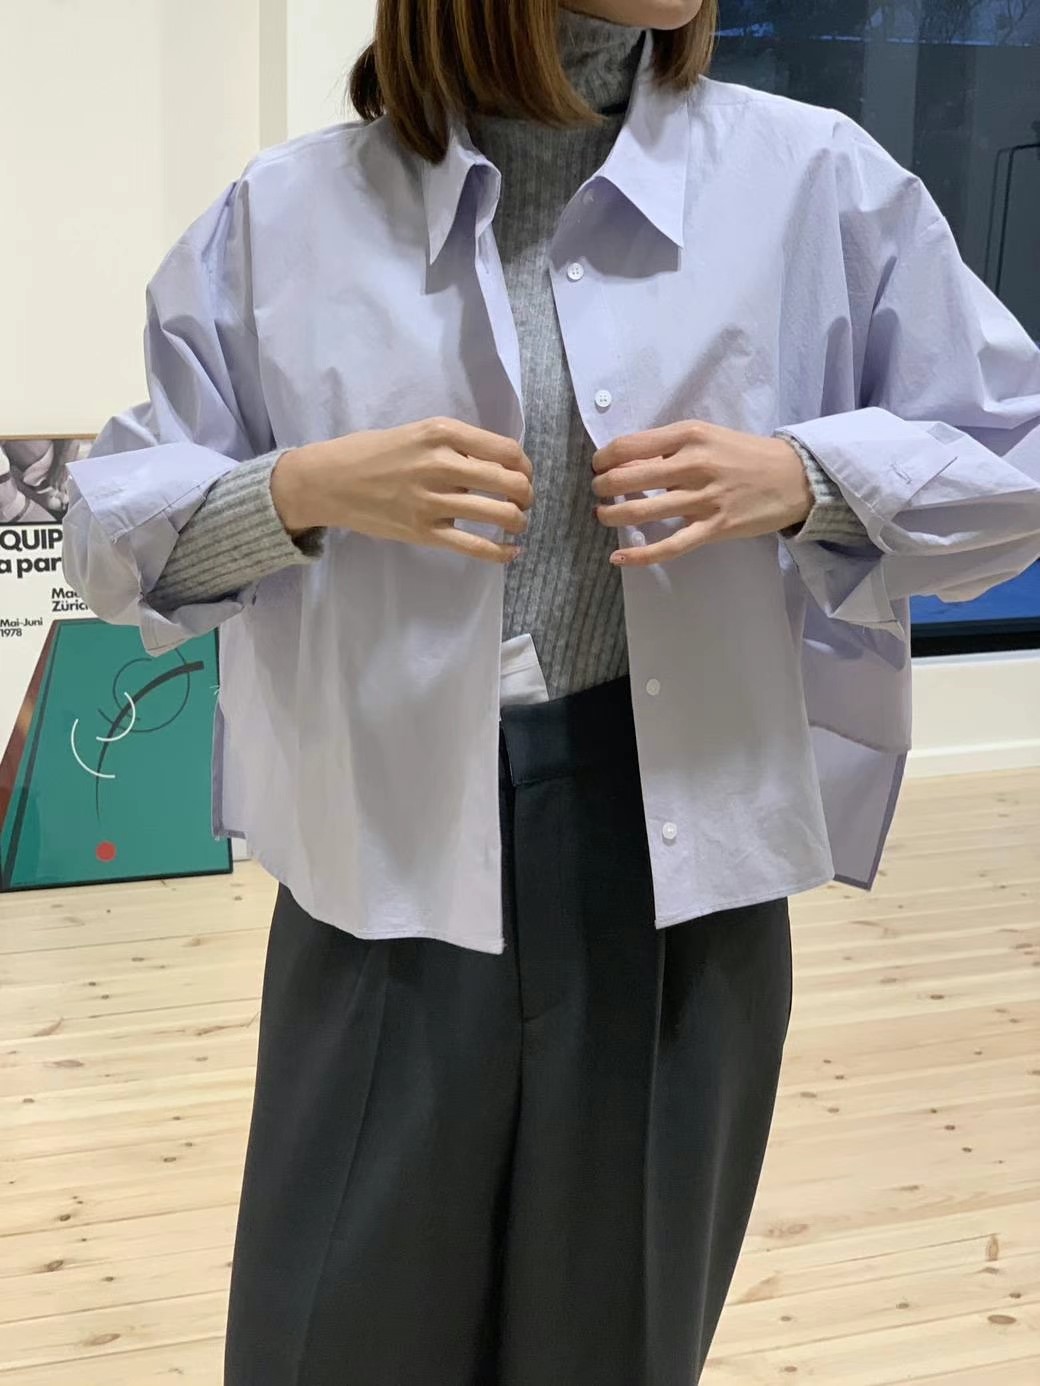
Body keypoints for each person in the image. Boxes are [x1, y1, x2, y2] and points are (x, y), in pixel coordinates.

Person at [63, 1, 1040, 1382]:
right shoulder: (287, 215)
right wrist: (300, 489)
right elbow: (110, 539)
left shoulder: (814, 183)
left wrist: (807, 477)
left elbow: (1014, 462)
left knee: (614, 1338)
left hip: (674, 860)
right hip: (385, 862)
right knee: (328, 1331)